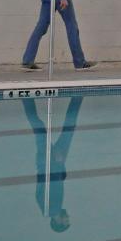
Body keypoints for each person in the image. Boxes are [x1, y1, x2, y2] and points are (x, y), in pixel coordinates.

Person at [22, 96, 83, 233]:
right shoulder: (47, 208)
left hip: (52, 163)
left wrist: (56, 163)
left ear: (58, 222)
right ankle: (27, 99)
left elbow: (49, 183)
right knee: (44, 128)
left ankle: (26, 98)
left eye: (66, 220)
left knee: (46, 128)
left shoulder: (52, 208)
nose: (68, 217)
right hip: (50, 164)